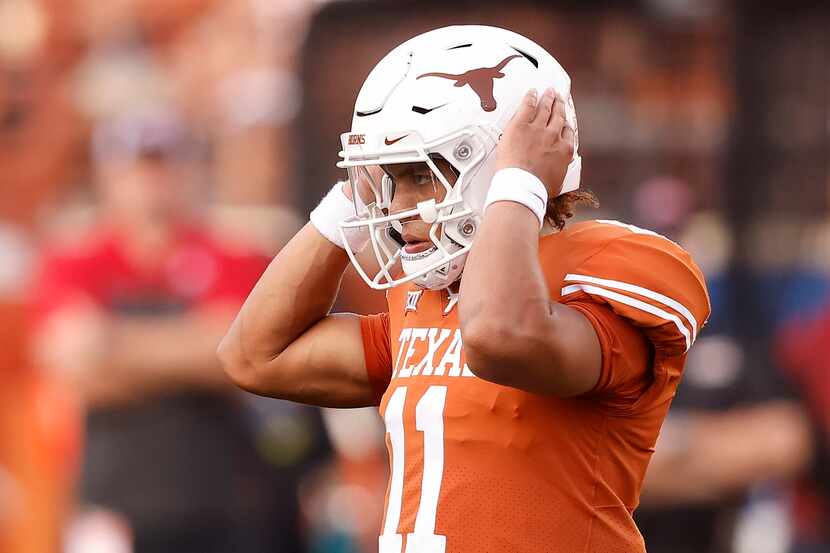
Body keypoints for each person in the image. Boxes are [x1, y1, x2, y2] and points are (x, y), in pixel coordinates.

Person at [219, 25, 711, 552]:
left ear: (497, 158)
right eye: (386, 180)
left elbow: (499, 335)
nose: (391, 207)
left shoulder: (601, 268)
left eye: (417, 174)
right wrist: (351, 197)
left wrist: (518, 182)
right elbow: (255, 356)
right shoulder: (426, 301)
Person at [30, 108, 287, 553]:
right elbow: (74, 366)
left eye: (163, 163)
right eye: (136, 166)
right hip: (112, 505)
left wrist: (115, 346)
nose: (151, 180)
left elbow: (240, 356)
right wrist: (197, 346)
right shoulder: (71, 261)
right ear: (106, 174)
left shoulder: (237, 257)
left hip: (225, 505)